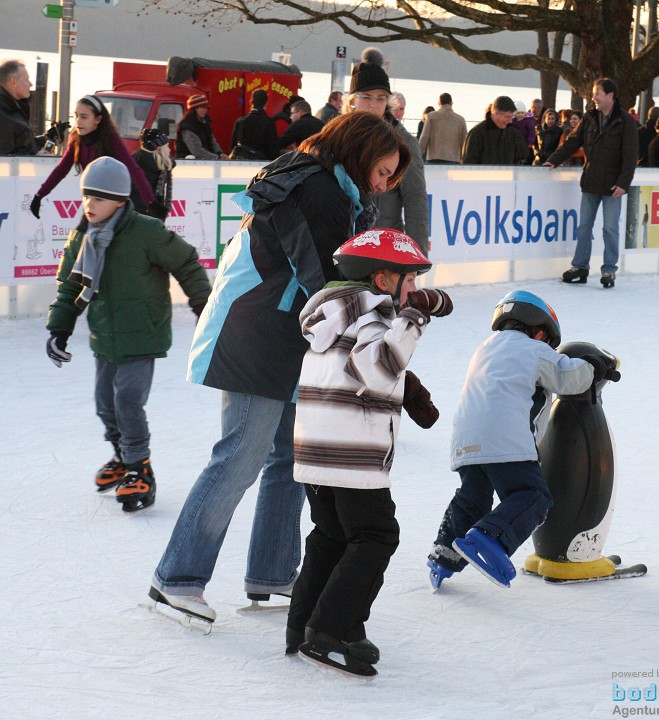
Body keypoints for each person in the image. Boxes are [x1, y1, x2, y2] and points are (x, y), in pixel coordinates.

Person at [149, 113, 411, 624]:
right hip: (257, 334)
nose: (382, 185)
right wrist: (377, 332)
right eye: (381, 172)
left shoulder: (332, 185)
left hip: (286, 336)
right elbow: (327, 279)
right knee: (240, 457)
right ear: (359, 152)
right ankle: (177, 578)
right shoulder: (316, 188)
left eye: (389, 178)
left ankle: (271, 571)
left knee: (290, 458)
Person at [286, 228, 452, 675]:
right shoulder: (373, 314)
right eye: (410, 281)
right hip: (353, 455)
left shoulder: (333, 312)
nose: (415, 290)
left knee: (332, 535)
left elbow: (354, 371)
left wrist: (408, 386)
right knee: (376, 536)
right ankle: (331, 632)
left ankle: (303, 626)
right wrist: (414, 317)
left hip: (316, 452)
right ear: (383, 280)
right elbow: (376, 370)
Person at [45, 156, 211, 512]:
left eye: (99, 199)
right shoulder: (83, 236)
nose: (89, 205)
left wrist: (203, 306)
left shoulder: (147, 232)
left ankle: (140, 468)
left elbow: (186, 262)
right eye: (86, 197)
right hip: (105, 336)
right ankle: (122, 457)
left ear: (120, 200)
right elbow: (70, 286)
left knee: (128, 401)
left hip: (142, 334)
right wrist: (60, 327)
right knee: (105, 404)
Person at [426, 290, 611, 590]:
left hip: (465, 443)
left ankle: (443, 556)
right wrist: (595, 367)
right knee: (533, 496)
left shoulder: (484, 349)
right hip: (506, 441)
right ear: (539, 332)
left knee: (472, 500)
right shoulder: (533, 349)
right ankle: (490, 539)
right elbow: (569, 377)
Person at [545, 77, 638, 289]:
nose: (593, 97)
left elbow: (631, 156)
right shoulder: (589, 118)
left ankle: (609, 270)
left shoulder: (625, 121)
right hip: (591, 181)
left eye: (597, 93)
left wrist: (623, 182)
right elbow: (573, 142)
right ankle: (580, 266)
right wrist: (554, 160)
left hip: (613, 186)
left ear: (610, 96)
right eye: (594, 93)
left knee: (610, 228)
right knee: (584, 226)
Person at [350, 50, 430, 253]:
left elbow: (415, 200)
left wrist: (417, 257)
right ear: (353, 100)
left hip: (383, 247)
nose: (373, 105)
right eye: (366, 97)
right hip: (342, 244)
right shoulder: (339, 136)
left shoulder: (403, 142)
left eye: (380, 98)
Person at [30, 95, 155, 218]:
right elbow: (61, 170)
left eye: (84, 117)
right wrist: (39, 195)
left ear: (98, 119)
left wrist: (151, 202)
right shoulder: (76, 140)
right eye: (76, 116)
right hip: (93, 204)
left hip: (114, 204)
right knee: (81, 236)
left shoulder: (110, 139)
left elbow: (133, 169)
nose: (78, 121)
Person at [462, 95, 530, 165]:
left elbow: (522, 158)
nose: (510, 121)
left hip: (507, 175)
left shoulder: (513, 133)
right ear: (496, 113)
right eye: (507, 117)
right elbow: (469, 162)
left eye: (512, 117)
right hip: (483, 175)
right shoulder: (477, 133)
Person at [132, 127, 174, 221]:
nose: (169, 150)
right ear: (159, 149)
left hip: (137, 217)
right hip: (145, 219)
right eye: (167, 147)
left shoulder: (135, 163)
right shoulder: (159, 168)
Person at [1, 58, 40, 155]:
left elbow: (21, 145)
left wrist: (47, 138)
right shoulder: (3, 115)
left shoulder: (14, 108)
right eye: (26, 80)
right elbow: (5, 158)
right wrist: (37, 157)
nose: (30, 84)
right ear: (13, 82)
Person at [229, 89, 279, 161]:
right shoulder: (269, 122)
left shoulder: (240, 121)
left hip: (241, 163)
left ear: (251, 102)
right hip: (262, 164)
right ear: (266, 103)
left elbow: (233, 146)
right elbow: (273, 149)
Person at [418, 92, 467, 164]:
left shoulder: (431, 117)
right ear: (451, 103)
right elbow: (464, 142)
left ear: (439, 103)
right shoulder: (460, 120)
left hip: (433, 158)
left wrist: (418, 154)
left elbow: (424, 137)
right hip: (453, 160)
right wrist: (464, 159)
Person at [176, 94, 227, 160]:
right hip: (189, 164)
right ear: (194, 108)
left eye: (206, 107)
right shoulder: (187, 128)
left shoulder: (205, 124)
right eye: (203, 107)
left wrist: (219, 153)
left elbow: (212, 141)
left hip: (205, 162)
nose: (205, 110)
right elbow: (197, 151)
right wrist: (217, 157)